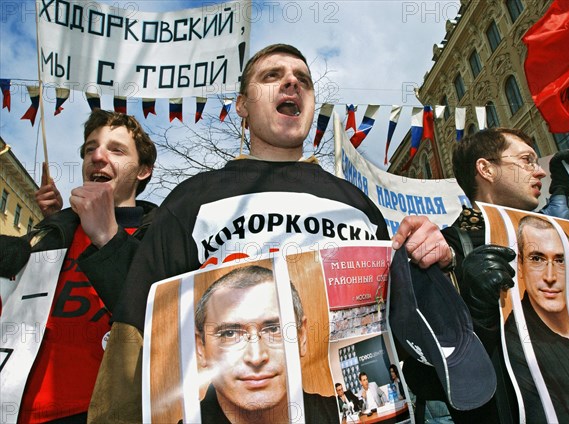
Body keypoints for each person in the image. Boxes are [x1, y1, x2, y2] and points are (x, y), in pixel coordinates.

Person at [88, 43, 452, 422]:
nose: (292, 82)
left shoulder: (356, 203)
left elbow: (405, 331)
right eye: (271, 76)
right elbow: (137, 330)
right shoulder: (191, 200)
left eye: (303, 81)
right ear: (243, 105)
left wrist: (431, 262)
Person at [402, 127, 569, 423]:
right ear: (486, 169)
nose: (539, 172)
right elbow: (424, 376)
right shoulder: (443, 252)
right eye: (527, 160)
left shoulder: (553, 239)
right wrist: (476, 317)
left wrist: (562, 186)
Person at [6, 109, 157, 423]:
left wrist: (107, 235)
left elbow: (158, 320)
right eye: (91, 148)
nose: (98, 156)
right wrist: (56, 224)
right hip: (18, 406)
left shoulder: (161, 236)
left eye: (116, 150)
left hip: (102, 412)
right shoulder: (52, 232)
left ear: (143, 170)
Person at [194, 266, 337, 423]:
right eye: (230, 334)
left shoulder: (344, 414)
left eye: (274, 329)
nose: (256, 358)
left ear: (301, 336)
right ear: (201, 349)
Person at [504, 215, 569, 423]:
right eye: (537, 259)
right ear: (520, 265)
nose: (550, 276)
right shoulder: (512, 340)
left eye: (560, 260)